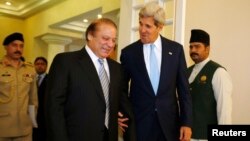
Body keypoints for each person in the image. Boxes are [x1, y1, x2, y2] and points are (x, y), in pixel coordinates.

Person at [45, 18, 135, 141]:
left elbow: (119, 103)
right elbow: (54, 109)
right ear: (90, 35)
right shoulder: (66, 62)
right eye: (105, 38)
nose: (110, 44)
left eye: (114, 40)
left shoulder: (117, 69)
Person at [120, 2, 192, 141]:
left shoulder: (176, 51)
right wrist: (122, 114)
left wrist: (186, 123)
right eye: (141, 24)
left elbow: (184, 91)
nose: (142, 29)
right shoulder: (129, 53)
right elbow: (121, 89)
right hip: (138, 125)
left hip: (169, 126)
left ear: (160, 27)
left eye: (148, 26)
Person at [188, 29, 233, 141]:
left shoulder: (218, 72)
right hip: (187, 136)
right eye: (191, 47)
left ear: (207, 49)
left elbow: (224, 110)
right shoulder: (186, 71)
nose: (193, 50)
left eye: (197, 46)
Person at [0, 32, 38, 141]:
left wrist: (32, 121)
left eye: (21, 46)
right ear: (6, 47)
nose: (18, 49)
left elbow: (33, 100)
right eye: (14, 45)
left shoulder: (29, 69)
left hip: (24, 127)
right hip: (2, 127)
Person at [33, 57, 48, 141]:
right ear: (34, 65)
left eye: (42, 64)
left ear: (46, 66)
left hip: (44, 115)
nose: (40, 66)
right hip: (31, 114)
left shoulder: (51, 79)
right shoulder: (30, 79)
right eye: (37, 64)